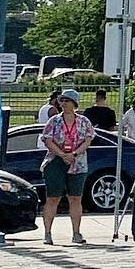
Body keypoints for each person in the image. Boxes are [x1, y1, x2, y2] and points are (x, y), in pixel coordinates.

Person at [41, 88, 95, 246]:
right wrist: (62, 155)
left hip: (78, 163)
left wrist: (75, 154)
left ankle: (76, 233)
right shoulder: (54, 121)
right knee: (53, 198)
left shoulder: (84, 121)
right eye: (62, 101)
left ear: (74, 103)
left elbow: (88, 139)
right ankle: (47, 233)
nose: (63, 104)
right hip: (56, 161)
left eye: (67, 101)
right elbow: (48, 140)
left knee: (75, 198)